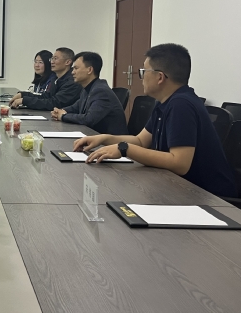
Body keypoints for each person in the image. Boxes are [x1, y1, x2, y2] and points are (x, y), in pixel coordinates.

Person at [74, 43, 238, 198]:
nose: (141, 77)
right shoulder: (165, 102)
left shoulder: (181, 105)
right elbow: (141, 140)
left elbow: (180, 163)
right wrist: (104, 138)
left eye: (143, 71)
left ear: (160, 77)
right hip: (178, 186)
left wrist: (125, 149)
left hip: (208, 196)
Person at [51, 52, 128, 135]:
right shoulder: (88, 88)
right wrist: (60, 111)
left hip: (110, 140)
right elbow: (76, 107)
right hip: (94, 135)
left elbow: (89, 119)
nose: (72, 72)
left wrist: (63, 116)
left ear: (90, 70)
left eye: (76, 68)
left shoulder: (101, 91)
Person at [10, 47, 81, 111]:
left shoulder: (73, 81)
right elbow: (45, 97)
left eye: (55, 59)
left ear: (68, 62)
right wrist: (23, 95)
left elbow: (54, 103)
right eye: (52, 59)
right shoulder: (56, 79)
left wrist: (25, 100)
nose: (52, 62)